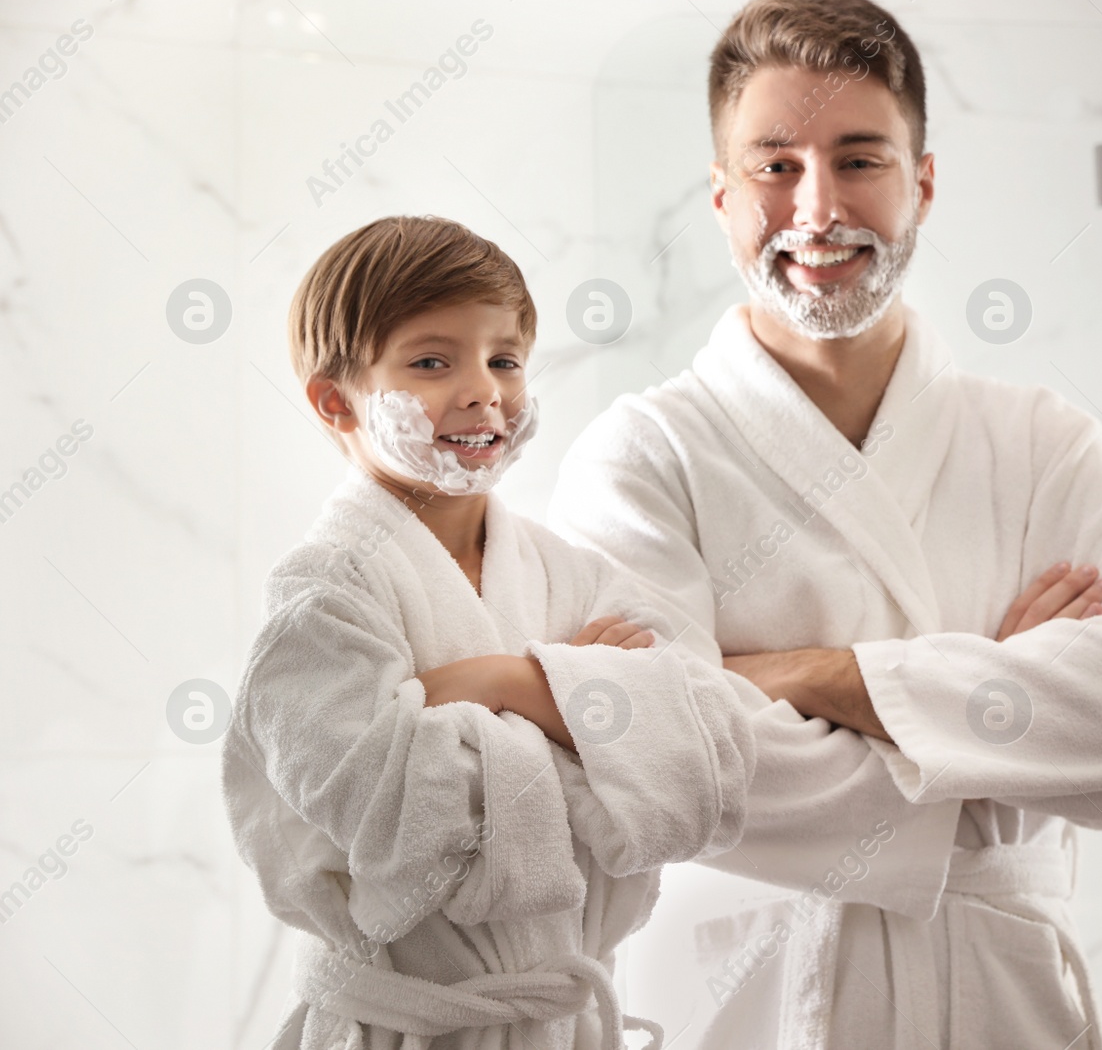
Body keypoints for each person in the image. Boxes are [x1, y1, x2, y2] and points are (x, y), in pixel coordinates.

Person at [547, 0, 1102, 1049]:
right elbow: (664, 761)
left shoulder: (1042, 443)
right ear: (720, 197)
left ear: (922, 184)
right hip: (750, 1001)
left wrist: (805, 676)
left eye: (859, 159)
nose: (818, 209)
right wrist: (993, 719)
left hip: (1003, 1003)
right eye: (775, 166)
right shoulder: (643, 456)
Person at [221, 215, 754, 1050]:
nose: (485, 391)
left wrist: (492, 684)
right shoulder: (323, 594)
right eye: (432, 361)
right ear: (336, 400)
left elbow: (705, 765)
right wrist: (589, 714)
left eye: (504, 358)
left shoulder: (567, 570)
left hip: (566, 1023)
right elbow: (409, 831)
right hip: (404, 1027)